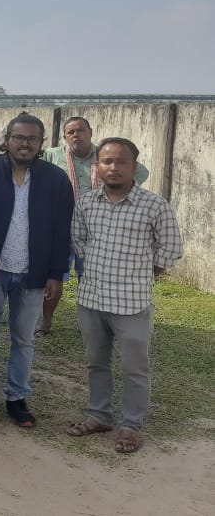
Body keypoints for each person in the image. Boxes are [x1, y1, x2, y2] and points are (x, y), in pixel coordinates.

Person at [66, 138, 182, 454]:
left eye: (121, 161)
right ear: (97, 166)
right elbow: (79, 241)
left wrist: (142, 274)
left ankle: (131, 425)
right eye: (107, 161)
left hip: (132, 303)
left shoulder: (154, 205)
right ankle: (99, 415)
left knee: (135, 368)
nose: (113, 167)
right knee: (96, 363)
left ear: (134, 166)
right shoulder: (86, 203)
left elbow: (171, 249)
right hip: (91, 300)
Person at [0, 113, 73, 428]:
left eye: (31, 138)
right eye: (18, 137)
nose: (24, 143)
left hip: (33, 274)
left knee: (24, 340)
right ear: (6, 140)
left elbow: (62, 231)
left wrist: (56, 273)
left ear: (41, 143)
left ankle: (17, 398)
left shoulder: (56, 179)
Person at [39, 116, 150, 334]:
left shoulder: (105, 157)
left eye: (80, 130)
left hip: (95, 227)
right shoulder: (52, 156)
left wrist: (116, 191)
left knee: (91, 277)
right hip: (60, 227)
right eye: (70, 132)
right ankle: (46, 322)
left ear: (90, 132)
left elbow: (141, 172)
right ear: (64, 137)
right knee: (53, 277)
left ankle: (92, 324)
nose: (76, 135)